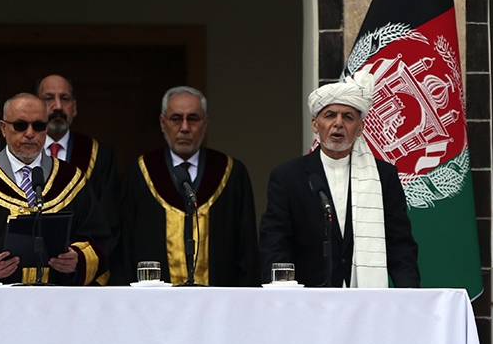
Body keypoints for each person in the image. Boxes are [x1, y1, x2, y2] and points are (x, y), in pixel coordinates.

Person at [259, 74, 420, 287]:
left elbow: (399, 244)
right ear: (315, 125)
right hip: (307, 299)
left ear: (360, 128)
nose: (338, 124)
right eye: (330, 115)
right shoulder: (288, 177)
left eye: (348, 117)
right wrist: (282, 295)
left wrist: (409, 297)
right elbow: (275, 242)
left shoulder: (384, 177)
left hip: (366, 299)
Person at [0, 93, 109, 285]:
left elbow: (98, 240)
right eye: (20, 125)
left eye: (38, 126)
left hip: (57, 304)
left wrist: (77, 259)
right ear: (4, 128)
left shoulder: (71, 179)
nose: (30, 133)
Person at [116, 86, 260, 286]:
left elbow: (247, 248)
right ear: (162, 123)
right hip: (152, 304)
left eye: (193, 118)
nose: (184, 127)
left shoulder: (231, 173)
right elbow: (125, 248)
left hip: (220, 302)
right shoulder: (139, 173)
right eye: (176, 118)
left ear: (205, 123)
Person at [37, 74, 120, 272]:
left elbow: (108, 220)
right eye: (49, 99)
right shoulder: (11, 155)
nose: (57, 106)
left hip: (77, 273)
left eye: (64, 99)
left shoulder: (99, 156)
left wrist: (82, 259)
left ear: (74, 107)